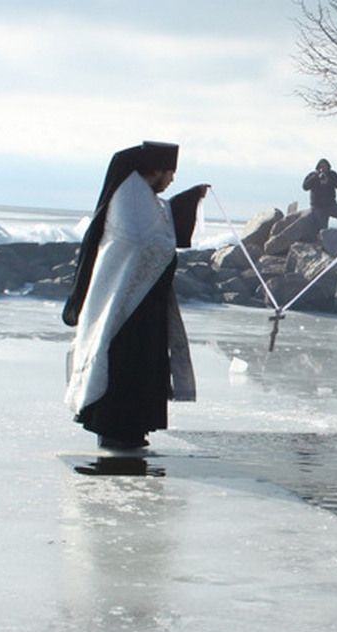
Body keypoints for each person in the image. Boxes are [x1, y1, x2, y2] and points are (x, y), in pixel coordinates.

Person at [62, 141, 208, 450]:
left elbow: (160, 224)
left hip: (142, 301)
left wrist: (188, 201)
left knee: (142, 365)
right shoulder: (130, 193)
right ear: (155, 170)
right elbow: (146, 241)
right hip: (126, 303)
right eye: (169, 174)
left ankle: (133, 427)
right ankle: (117, 428)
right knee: (124, 363)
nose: (170, 181)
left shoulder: (142, 195)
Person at [302, 158, 337, 230]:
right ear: (318, 167)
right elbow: (305, 187)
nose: (323, 169)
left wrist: (329, 181)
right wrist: (315, 178)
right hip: (318, 207)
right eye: (321, 167)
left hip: (331, 205)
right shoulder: (313, 175)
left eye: (325, 166)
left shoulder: (332, 174)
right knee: (322, 229)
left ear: (328, 167)